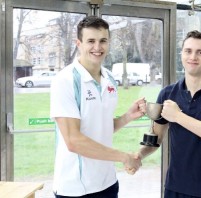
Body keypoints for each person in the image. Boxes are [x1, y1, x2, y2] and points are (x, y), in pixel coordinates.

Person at [136, 30, 201, 198]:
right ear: (182, 55)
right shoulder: (167, 94)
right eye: (188, 51)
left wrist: (178, 116)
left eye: (200, 52)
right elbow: (156, 137)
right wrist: (138, 155)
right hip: (176, 189)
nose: (193, 57)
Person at [50, 15, 145, 198]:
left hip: (107, 183)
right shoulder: (65, 80)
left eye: (103, 41)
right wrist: (124, 157)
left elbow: (99, 127)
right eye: (90, 41)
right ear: (79, 43)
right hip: (75, 188)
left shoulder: (109, 78)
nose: (97, 47)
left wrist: (127, 117)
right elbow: (73, 141)